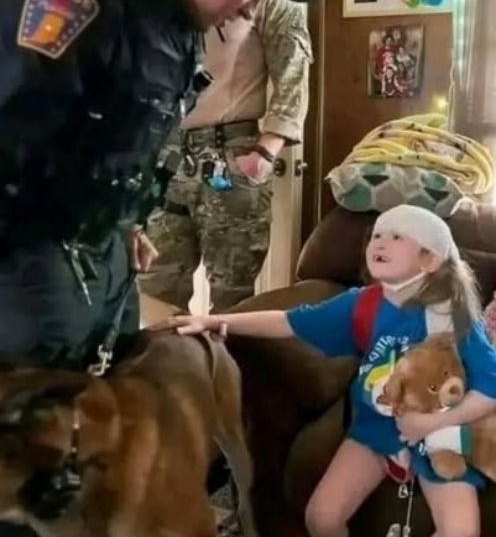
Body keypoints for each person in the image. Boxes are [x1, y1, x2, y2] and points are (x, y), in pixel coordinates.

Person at [0, 0, 317, 533]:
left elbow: (121, 136)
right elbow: (3, 133)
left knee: (96, 455)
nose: (249, 8)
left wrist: (126, 220)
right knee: (23, 464)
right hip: (31, 265)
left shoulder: (176, 14)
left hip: (103, 256)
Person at [166, 205, 496, 537]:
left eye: (397, 237)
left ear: (430, 260)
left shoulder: (456, 317)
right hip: (374, 428)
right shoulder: (363, 304)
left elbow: (490, 388)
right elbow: (288, 321)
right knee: (322, 517)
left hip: (439, 435)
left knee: (460, 531)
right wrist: (215, 320)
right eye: (376, 235)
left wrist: (429, 424)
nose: (379, 243)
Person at [139, 0, 311, 312]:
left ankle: (226, 349)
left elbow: (293, 72)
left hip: (231, 153)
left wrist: (265, 152)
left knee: (233, 296)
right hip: (162, 154)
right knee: (154, 291)